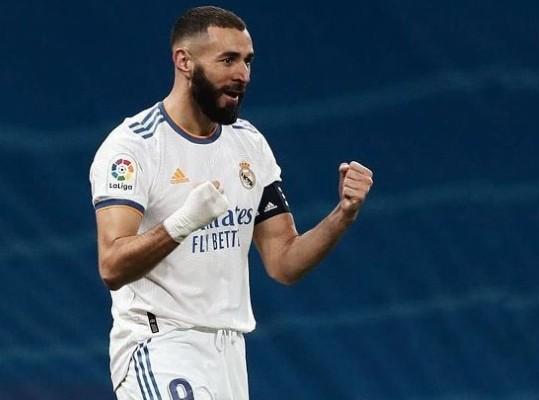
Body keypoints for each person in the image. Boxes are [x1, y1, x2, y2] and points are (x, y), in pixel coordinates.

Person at [89, 5, 373, 400]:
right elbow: (111, 266)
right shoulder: (133, 148)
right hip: (160, 344)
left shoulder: (248, 144)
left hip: (229, 353)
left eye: (247, 61)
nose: (243, 74)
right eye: (228, 60)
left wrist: (343, 215)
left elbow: (284, 262)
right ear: (184, 61)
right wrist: (184, 221)